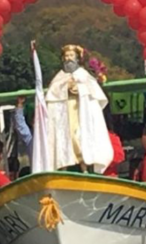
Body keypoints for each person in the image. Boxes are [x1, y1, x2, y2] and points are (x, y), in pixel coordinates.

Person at [44, 44, 113, 174]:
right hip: (64, 112)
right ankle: (63, 166)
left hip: (80, 111)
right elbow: (53, 92)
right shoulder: (59, 76)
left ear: (76, 58)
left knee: (80, 137)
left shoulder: (83, 75)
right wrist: (65, 87)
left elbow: (93, 91)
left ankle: (84, 167)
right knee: (64, 137)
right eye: (66, 56)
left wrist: (79, 89)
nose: (68, 59)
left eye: (71, 56)